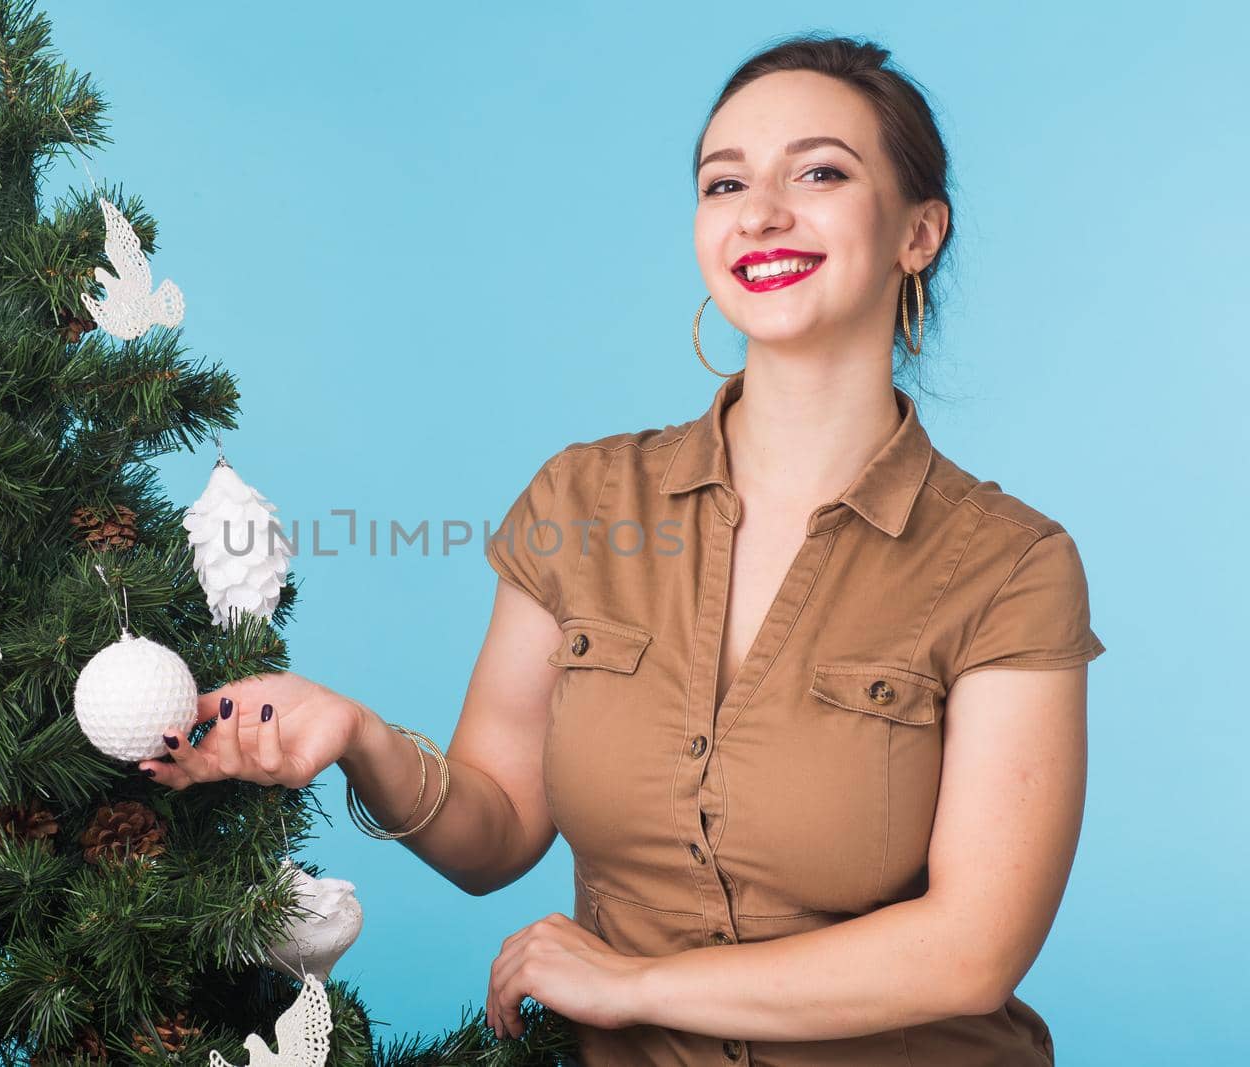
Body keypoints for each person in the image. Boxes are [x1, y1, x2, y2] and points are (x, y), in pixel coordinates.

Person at [136, 33, 1106, 1066]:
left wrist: (634, 982)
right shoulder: (584, 499)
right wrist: (360, 737)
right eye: (723, 182)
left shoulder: (1010, 564)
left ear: (920, 230)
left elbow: (971, 950)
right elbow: (498, 828)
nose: (761, 212)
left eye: (819, 172)